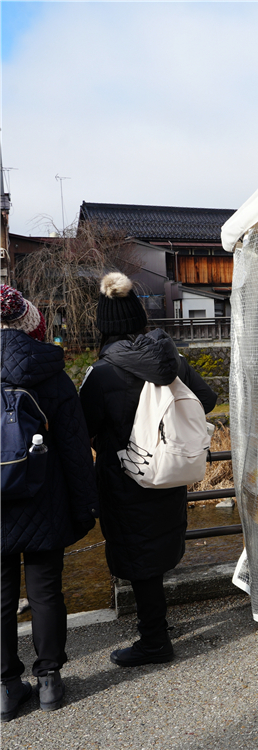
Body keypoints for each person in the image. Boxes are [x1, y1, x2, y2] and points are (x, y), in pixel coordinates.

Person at [79, 273, 216, 667]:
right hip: (170, 471)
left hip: (127, 477)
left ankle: (154, 640)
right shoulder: (172, 360)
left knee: (138, 558)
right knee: (156, 548)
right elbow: (205, 401)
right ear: (139, 318)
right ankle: (155, 626)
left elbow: (82, 429)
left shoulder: (103, 374)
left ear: (105, 326)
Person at [1, 285, 98, 721]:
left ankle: (5, 689)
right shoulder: (52, 373)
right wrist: (85, 506)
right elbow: (77, 450)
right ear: (30, 323)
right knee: (45, 591)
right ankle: (49, 683)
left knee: (0, 597)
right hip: (45, 498)